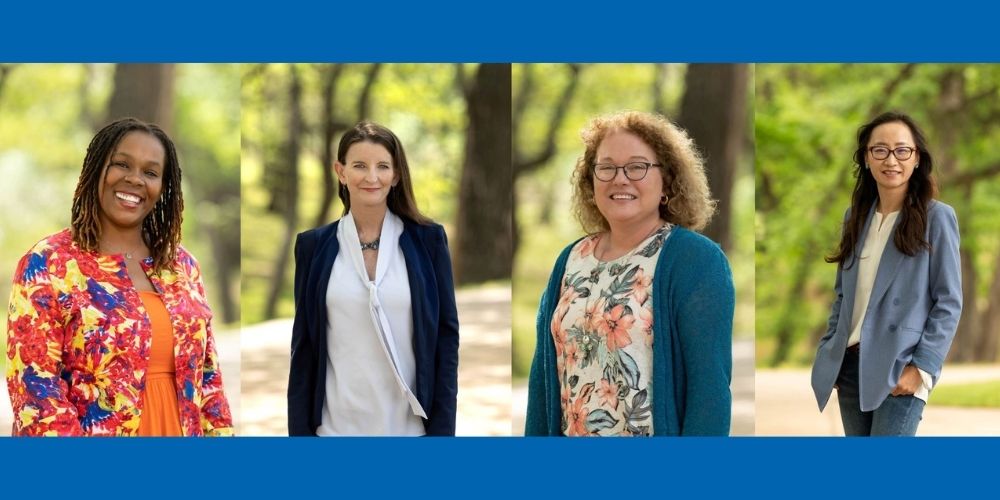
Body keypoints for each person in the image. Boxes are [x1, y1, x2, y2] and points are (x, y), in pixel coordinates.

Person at [6, 117, 233, 436]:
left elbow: (209, 381)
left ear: (162, 187)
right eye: (122, 164)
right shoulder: (48, 263)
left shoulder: (182, 265)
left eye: (150, 173)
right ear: (96, 169)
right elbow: (35, 389)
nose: (135, 179)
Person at [525, 111, 734, 436]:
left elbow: (710, 393)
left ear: (667, 181)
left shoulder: (696, 261)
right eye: (607, 167)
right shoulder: (570, 260)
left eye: (637, 167)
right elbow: (542, 385)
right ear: (591, 182)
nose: (620, 179)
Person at [287, 121, 459, 436]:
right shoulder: (313, 247)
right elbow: (304, 349)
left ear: (396, 175)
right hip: (334, 431)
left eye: (382, 166)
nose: (371, 177)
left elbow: (446, 342)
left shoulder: (428, 241)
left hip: (410, 430)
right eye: (359, 166)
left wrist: (442, 434)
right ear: (340, 172)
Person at [811, 111, 962, 436]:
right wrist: (830, 351)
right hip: (850, 367)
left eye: (902, 150)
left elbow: (948, 302)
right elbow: (843, 295)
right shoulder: (855, 218)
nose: (891, 160)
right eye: (880, 150)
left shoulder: (937, 218)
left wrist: (921, 367)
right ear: (866, 159)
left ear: (917, 158)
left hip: (900, 366)